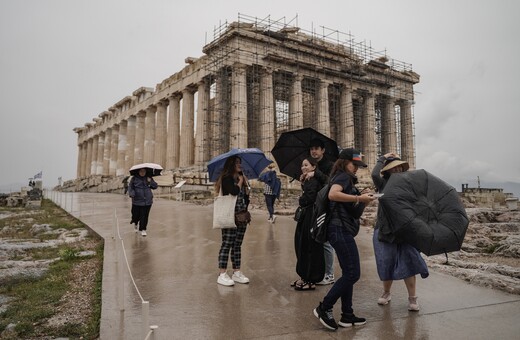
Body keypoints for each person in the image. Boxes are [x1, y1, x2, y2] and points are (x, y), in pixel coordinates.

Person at [313, 148, 376, 331]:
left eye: (358, 165)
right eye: (354, 164)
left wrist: (363, 201)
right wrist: (358, 196)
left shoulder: (349, 181)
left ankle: (347, 315)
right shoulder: (342, 176)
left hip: (342, 230)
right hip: (338, 230)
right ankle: (324, 307)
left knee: (349, 272)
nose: (356, 168)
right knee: (353, 273)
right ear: (343, 163)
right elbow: (333, 194)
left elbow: (354, 213)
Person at [371, 153, 429, 311]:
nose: (397, 169)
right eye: (393, 167)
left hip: (405, 230)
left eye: (399, 167)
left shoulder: (409, 185)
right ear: (387, 170)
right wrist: (382, 158)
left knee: (409, 262)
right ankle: (386, 293)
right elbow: (374, 173)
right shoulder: (382, 184)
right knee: (386, 262)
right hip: (385, 229)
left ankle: (412, 298)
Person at [301, 138, 335, 286]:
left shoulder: (330, 165)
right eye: (311, 149)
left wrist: (315, 173)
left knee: (325, 241)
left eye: (316, 148)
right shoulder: (309, 165)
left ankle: (329, 274)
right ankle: (317, 271)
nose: (314, 151)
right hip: (314, 208)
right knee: (315, 241)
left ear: (323, 150)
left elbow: (331, 183)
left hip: (326, 207)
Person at [215, 156, 251, 287]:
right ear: (231, 165)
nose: (239, 165)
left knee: (237, 245)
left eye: (240, 162)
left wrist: (246, 185)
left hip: (241, 217)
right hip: (229, 215)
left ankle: (237, 272)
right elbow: (234, 191)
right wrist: (240, 182)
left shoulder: (240, 178)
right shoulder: (226, 178)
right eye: (236, 163)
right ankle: (222, 274)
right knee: (227, 244)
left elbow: (246, 198)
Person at [291, 157, 325, 291]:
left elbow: (308, 198)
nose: (303, 167)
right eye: (302, 165)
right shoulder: (309, 180)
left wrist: (301, 198)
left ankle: (310, 279)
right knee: (302, 244)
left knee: (308, 246)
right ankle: (305, 276)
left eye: (306, 165)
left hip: (311, 215)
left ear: (314, 167)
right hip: (308, 215)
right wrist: (303, 184)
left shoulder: (315, 179)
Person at [128, 168, 158, 237]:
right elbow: (130, 187)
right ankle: (135, 222)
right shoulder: (134, 179)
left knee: (144, 216)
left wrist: (150, 182)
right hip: (137, 200)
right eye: (141, 171)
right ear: (138, 171)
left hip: (147, 200)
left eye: (144, 171)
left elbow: (155, 186)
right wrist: (132, 193)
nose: (142, 172)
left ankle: (143, 229)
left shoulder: (149, 178)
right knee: (135, 215)